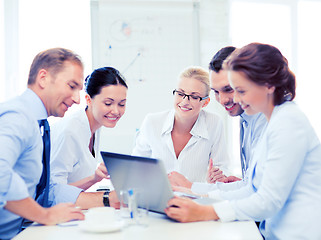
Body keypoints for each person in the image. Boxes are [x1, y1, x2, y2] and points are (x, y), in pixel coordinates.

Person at [165, 43, 321, 240]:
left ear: (268, 86)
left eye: (241, 90)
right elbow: (251, 188)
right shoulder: (274, 119)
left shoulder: (288, 123)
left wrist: (205, 211)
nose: (233, 99)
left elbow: (268, 200)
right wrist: (196, 194)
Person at [0, 48, 85, 240]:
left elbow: (44, 188)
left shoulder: (39, 124)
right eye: (72, 86)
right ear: (43, 78)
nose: (77, 99)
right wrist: (44, 215)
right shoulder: (19, 117)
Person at [168, 47, 266, 194]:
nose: (223, 100)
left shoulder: (269, 122)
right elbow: (257, 185)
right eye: (216, 92)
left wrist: (191, 188)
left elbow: (265, 195)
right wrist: (243, 184)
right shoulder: (245, 120)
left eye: (229, 89)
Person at [132, 66, 231, 183]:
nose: (184, 102)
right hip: (158, 198)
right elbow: (135, 167)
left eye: (194, 97)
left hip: (196, 198)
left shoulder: (214, 123)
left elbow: (222, 168)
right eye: (180, 93)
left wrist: (216, 177)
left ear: (205, 102)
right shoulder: (152, 122)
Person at [50, 67, 128, 191]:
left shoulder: (96, 124)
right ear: (88, 100)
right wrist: (94, 178)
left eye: (122, 104)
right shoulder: (70, 132)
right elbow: (54, 192)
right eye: (108, 103)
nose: (116, 111)